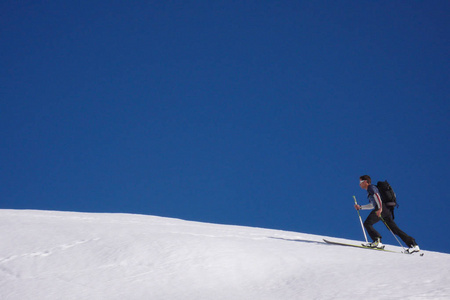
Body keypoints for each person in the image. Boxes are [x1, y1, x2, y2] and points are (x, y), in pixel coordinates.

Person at [354, 175, 420, 254]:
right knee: (394, 229)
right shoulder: (370, 190)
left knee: (367, 223)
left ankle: (377, 240)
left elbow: (378, 197)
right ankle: (413, 244)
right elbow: (372, 205)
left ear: (365, 182)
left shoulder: (371, 187)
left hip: (383, 208)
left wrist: (380, 208)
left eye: (360, 182)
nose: (359, 184)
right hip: (386, 210)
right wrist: (361, 207)